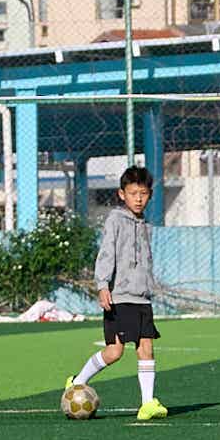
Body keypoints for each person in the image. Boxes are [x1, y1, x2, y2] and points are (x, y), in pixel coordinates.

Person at [63, 163, 168, 420]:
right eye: (133, 193)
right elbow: (107, 253)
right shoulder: (115, 220)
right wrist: (102, 285)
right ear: (122, 194)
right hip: (120, 297)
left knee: (146, 347)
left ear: (150, 195)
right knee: (114, 352)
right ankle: (77, 381)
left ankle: (147, 404)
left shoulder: (145, 224)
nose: (138, 198)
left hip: (142, 298)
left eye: (143, 193)